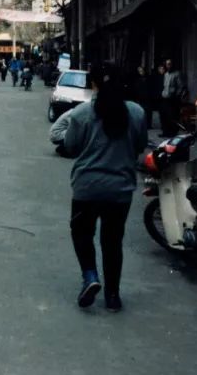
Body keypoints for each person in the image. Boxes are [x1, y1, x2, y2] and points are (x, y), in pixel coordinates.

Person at [62, 62, 147, 312]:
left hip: (87, 188)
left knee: (82, 233)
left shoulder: (81, 114)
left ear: (94, 84)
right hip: (120, 191)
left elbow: (70, 147)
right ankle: (113, 296)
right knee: (112, 242)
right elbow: (140, 145)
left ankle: (90, 276)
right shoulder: (137, 113)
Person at [160, 59, 184, 137]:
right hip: (165, 98)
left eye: (169, 64)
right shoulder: (166, 74)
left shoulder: (177, 74)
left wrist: (176, 96)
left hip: (172, 99)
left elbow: (181, 86)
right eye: (167, 64)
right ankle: (165, 132)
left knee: (172, 116)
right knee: (164, 116)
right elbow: (165, 86)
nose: (168, 66)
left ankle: (172, 133)